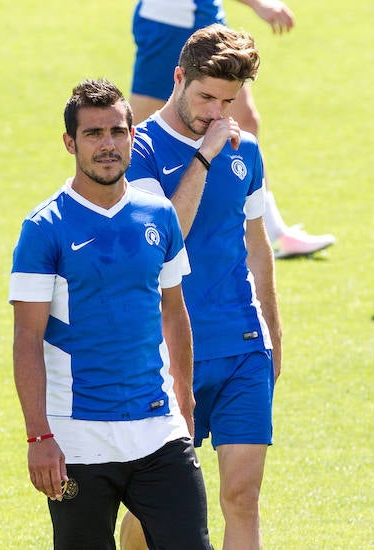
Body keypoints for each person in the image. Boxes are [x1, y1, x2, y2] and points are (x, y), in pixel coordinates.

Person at [10, 78, 211, 549]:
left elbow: (174, 313)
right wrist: (39, 436)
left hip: (159, 432)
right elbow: (26, 338)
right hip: (77, 441)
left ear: (133, 136)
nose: (108, 145)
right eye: (93, 134)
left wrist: (184, 400)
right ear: (69, 143)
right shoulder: (44, 229)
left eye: (117, 132)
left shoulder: (158, 215)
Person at [120, 24, 280, 550]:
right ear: (178, 77)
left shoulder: (246, 150)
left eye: (227, 101)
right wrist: (205, 155)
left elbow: (259, 248)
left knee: (242, 496)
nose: (216, 111)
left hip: (240, 348)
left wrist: (273, 336)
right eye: (206, 96)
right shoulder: (137, 151)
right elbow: (163, 239)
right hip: (167, 356)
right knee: (153, 508)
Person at [131, 0, 336, 258]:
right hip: (171, 18)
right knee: (134, 134)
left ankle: (273, 229)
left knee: (246, 120)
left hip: (205, 13)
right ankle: (103, 218)